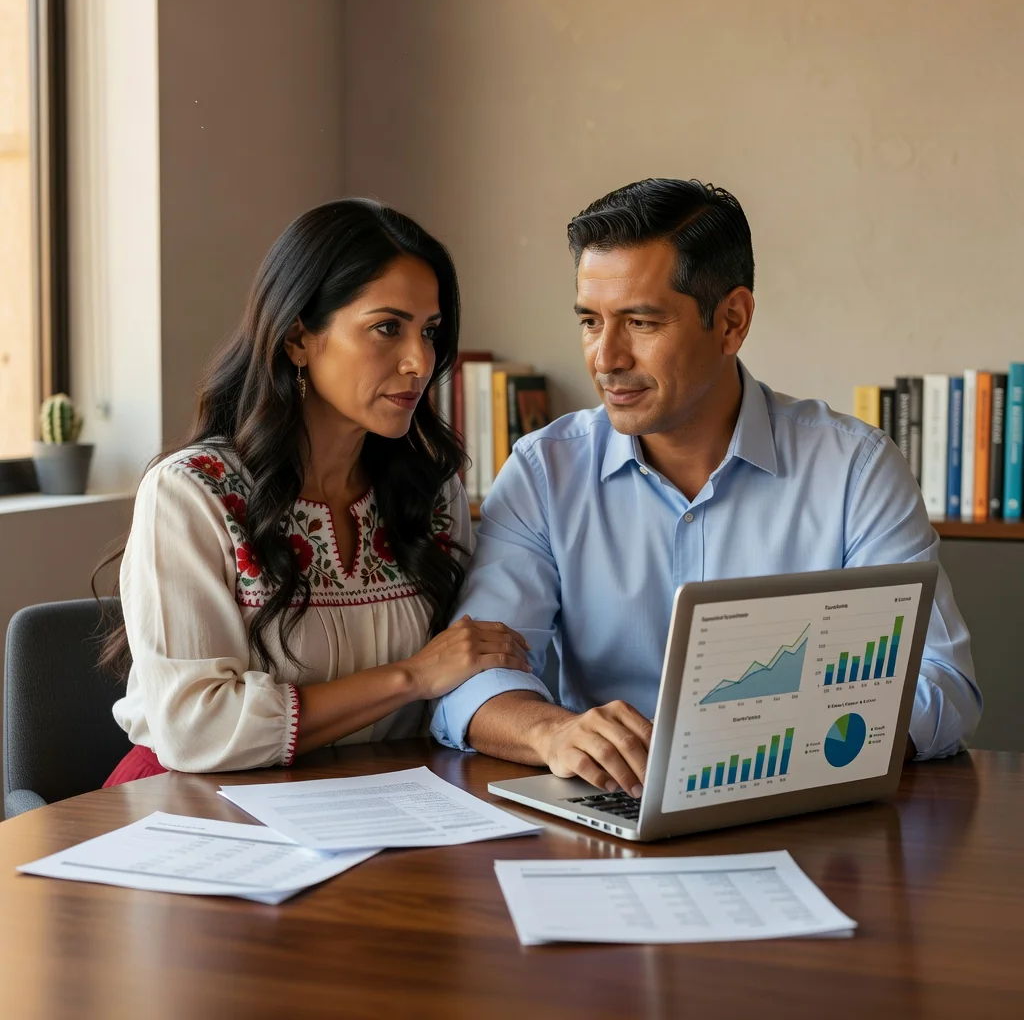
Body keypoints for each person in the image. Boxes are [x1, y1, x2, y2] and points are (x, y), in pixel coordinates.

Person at [431, 178, 981, 797]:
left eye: (640, 321)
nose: (605, 357)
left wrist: (776, 753)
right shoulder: (542, 472)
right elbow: (470, 679)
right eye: (591, 321)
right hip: (609, 821)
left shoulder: (855, 468)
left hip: (804, 815)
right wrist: (552, 734)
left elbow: (942, 683)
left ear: (731, 321)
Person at [102, 199, 530, 785]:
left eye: (430, 332)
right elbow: (197, 727)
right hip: (193, 805)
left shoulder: (430, 493)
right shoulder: (192, 493)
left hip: (381, 804)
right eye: (387, 328)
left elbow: (466, 678)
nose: (419, 362)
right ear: (299, 338)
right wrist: (413, 676)